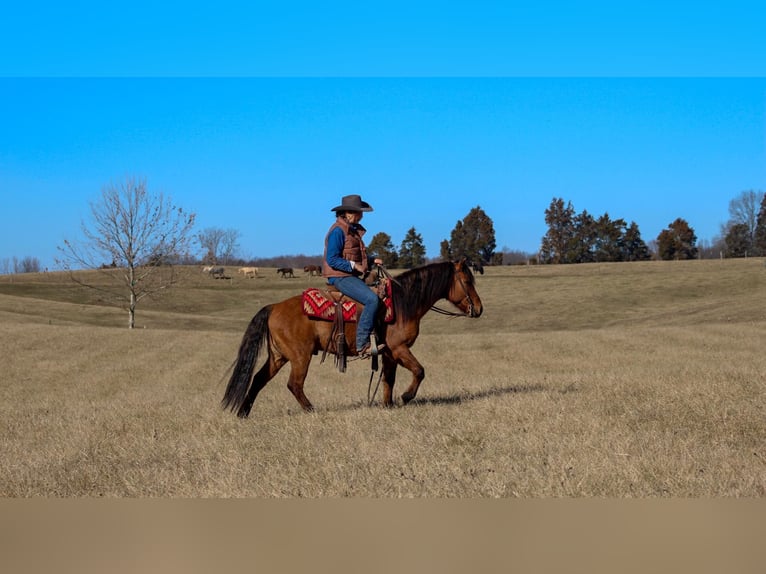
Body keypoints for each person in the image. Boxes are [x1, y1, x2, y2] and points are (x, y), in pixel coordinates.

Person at [322, 194, 385, 358]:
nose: (362, 215)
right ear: (349, 212)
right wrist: (353, 266)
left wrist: (371, 260)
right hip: (339, 277)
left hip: (348, 275)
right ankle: (362, 344)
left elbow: (352, 255)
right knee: (372, 300)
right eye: (359, 212)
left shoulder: (352, 231)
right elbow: (332, 259)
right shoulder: (338, 231)